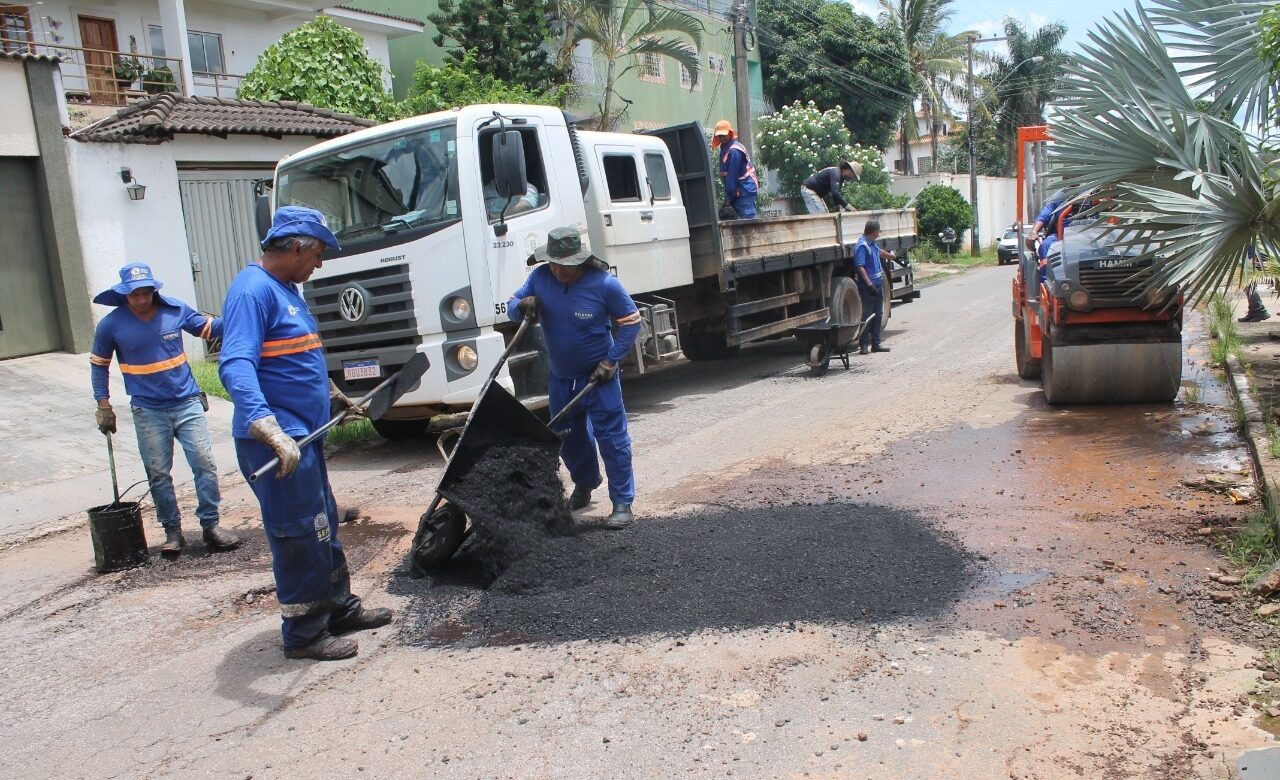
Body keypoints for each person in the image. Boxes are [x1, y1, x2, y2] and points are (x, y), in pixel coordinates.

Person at [218, 206, 390, 661]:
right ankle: (304, 633)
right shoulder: (252, 292)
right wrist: (265, 424)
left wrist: (332, 392)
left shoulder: (288, 291)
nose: (321, 264)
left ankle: (339, 608)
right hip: (278, 442)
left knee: (324, 524)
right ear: (296, 246)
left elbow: (298, 356)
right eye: (318, 254)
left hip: (305, 436)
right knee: (299, 534)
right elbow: (236, 364)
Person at [89, 263, 240, 555]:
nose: (143, 299)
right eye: (136, 295)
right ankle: (173, 532)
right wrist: (103, 405)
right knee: (158, 472)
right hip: (148, 410)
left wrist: (239, 315)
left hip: (187, 403)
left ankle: (211, 525)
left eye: (147, 293)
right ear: (124, 295)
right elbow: (99, 365)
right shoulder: (111, 325)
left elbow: (208, 329)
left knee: (204, 464)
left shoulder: (174, 310)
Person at [508, 227, 643, 529]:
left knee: (612, 439)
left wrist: (611, 361)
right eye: (551, 262)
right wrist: (523, 306)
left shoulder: (605, 285)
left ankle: (622, 502)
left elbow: (632, 323)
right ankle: (586, 483)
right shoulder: (540, 278)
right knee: (568, 439)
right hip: (561, 379)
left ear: (579, 261)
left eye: (562, 264)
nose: (555, 269)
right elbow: (511, 308)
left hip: (599, 379)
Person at [854, 220, 894, 356]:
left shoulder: (871, 244)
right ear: (873, 232)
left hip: (877, 285)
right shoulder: (862, 246)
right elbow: (860, 266)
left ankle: (876, 344)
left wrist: (891, 256)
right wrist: (869, 284)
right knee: (867, 316)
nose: (878, 233)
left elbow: (878, 252)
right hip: (868, 287)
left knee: (878, 315)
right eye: (878, 231)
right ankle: (863, 345)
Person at [711, 120, 759, 220]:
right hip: (740, 191)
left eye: (724, 135)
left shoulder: (734, 151)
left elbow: (731, 176)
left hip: (744, 190)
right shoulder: (726, 148)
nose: (722, 138)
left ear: (730, 133)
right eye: (720, 136)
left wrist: (729, 197)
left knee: (748, 223)